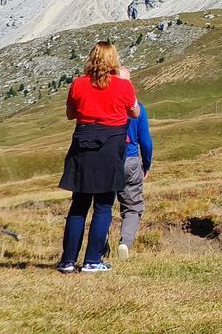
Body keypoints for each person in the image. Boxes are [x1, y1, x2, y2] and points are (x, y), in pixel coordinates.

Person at [58, 42, 141, 274]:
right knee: (104, 205)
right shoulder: (123, 86)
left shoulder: (78, 84)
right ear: (114, 60)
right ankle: (92, 260)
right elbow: (135, 112)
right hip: (110, 146)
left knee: (79, 204)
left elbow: (70, 114)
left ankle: (67, 261)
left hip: (82, 143)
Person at [113, 66, 151, 258]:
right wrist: (147, 164)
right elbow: (145, 141)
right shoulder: (138, 108)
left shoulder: (107, 104)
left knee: (103, 206)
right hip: (131, 160)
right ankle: (125, 243)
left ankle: (99, 247)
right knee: (133, 206)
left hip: (107, 160)